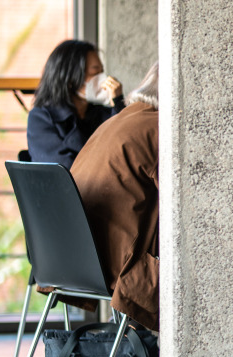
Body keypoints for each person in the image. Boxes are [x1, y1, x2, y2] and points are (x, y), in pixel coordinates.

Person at [70, 63, 159, 330]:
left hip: (72, 257)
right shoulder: (160, 129)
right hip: (117, 267)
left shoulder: (118, 119)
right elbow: (190, 204)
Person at [27, 40, 125, 168]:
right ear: (70, 78)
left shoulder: (102, 114)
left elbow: (125, 149)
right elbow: (64, 172)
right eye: (95, 73)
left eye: (102, 72)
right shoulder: (42, 118)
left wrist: (118, 104)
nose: (103, 80)